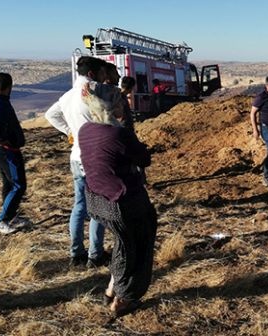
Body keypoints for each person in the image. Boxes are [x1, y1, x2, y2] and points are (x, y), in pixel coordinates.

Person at [78, 82, 157, 317]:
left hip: (96, 198)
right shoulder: (118, 133)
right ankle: (124, 299)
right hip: (122, 200)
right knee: (137, 245)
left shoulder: (85, 130)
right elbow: (144, 159)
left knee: (123, 243)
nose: (125, 103)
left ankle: (111, 289)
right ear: (114, 105)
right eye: (121, 101)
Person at [45, 56, 109, 268]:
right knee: (98, 208)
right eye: (102, 73)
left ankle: (76, 253)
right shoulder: (94, 92)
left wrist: (69, 131)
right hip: (95, 158)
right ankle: (95, 255)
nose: (104, 77)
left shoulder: (67, 96)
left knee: (79, 205)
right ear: (92, 74)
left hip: (76, 157)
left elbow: (50, 115)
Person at [0, 73, 29, 234]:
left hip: (5, 149)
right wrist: (3, 139)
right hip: (6, 150)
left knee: (9, 184)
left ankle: (10, 216)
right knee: (19, 184)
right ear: (9, 86)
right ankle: (1, 221)